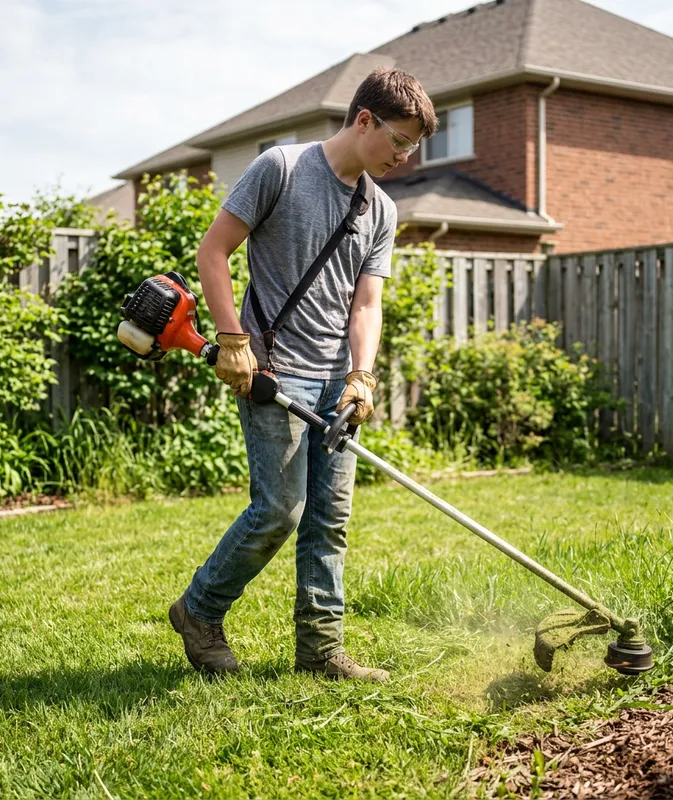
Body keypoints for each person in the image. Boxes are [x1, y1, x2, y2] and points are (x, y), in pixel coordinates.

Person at [169, 67, 437, 682]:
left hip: (335, 380)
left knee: (329, 519)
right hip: (275, 371)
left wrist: (362, 377)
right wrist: (233, 339)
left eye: (413, 147)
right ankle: (200, 610)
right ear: (364, 119)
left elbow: (365, 304)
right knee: (279, 511)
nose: (404, 156)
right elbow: (214, 252)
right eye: (399, 140)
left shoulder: (381, 208)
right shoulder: (281, 169)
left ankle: (320, 649)